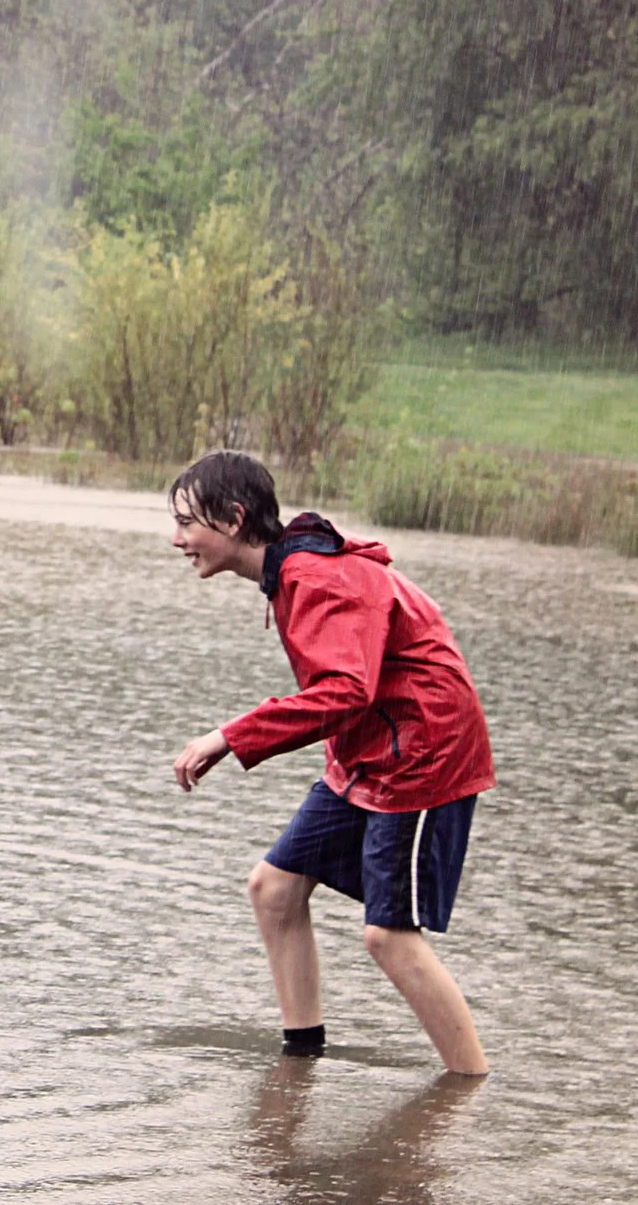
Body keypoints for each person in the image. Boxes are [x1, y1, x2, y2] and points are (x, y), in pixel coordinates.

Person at [166, 450, 494, 1076]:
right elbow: (351, 694)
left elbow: (346, 691)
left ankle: (468, 1085)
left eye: (187, 522)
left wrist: (230, 737)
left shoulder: (318, 578)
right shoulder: (294, 571)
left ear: (234, 519)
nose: (176, 538)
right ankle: (300, 1061)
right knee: (275, 888)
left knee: (388, 936)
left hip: (424, 755)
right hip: (368, 751)